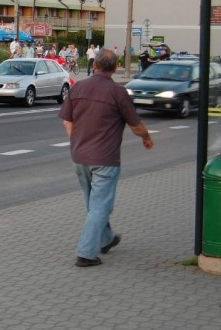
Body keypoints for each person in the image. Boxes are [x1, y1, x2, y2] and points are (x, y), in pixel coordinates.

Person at [58, 49, 154, 267]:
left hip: (80, 157)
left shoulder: (79, 87)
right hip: (105, 159)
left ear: (94, 66)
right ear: (115, 67)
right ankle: (86, 254)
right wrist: (146, 137)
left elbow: (66, 120)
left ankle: (106, 239)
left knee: (93, 204)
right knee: (100, 207)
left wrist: (77, 142)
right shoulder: (117, 92)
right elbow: (136, 125)